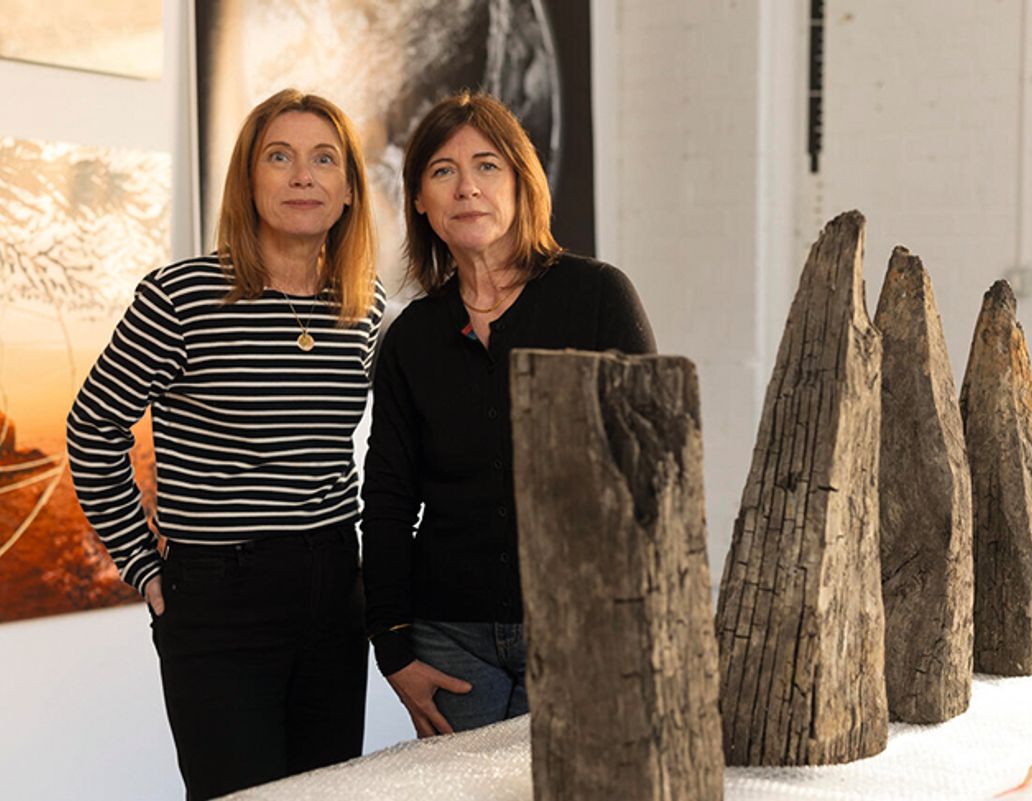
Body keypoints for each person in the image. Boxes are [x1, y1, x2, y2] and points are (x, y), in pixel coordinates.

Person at [66, 88, 385, 800]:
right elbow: (91, 428)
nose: (302, 176)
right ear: (248, 179)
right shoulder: (181, 298)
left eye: (323, 159)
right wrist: (142, 566)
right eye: (279, 157)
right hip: (220, 600)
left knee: (329, 794)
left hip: (335, 586)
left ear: (348, 190)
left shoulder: (364, 305)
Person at [361, 90, 656, 738]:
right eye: (443, 170)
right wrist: (393, 646)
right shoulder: (412, 336)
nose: (467, 187)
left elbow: (653, 475)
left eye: (487, 166)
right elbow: (386, 498)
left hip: (579, 622)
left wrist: (635, 622)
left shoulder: (597, 296)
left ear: (522, 183)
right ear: (420, 199)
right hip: (449, 637)